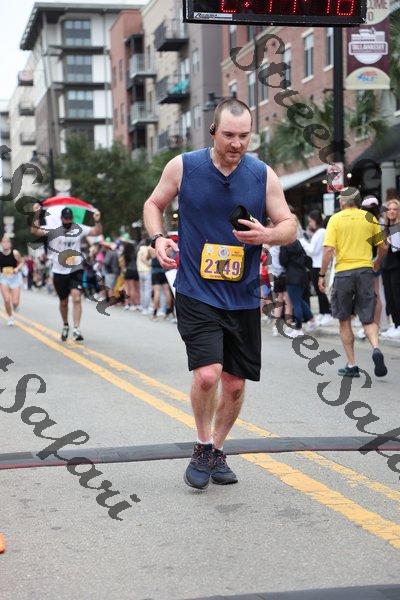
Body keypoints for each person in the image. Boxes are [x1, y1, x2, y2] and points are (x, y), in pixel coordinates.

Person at [143, 97, 296, 490]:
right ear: (213, 131)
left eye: (244, 135)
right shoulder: (184, 167)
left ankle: (217, 449)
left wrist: (268, 234)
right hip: (197, 290)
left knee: (235, 384)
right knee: (209, 375)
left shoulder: (262, 174)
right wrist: (158, 238)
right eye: (229, 134)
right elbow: (153, 203)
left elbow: (289, 224)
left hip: (243, 295)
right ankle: (201, 444)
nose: (237, 143)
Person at [319, 187, 388, 378]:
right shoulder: (369, 218)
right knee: (368, 317)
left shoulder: (335, 219)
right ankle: (376, 348)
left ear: (342, 202)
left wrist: (321, 275)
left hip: (344, 273)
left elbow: (328, 250)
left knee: (344, 319)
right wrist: (377, 262)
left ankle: (352, 364)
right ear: (357, 202)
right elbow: (384, 246)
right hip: (365, 271)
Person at [31, 205, 102, 341]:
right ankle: (65, 325)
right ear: (61, 218)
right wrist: (36, 215)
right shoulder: (54, 229)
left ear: (72, 218)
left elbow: (96, 232)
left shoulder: (79, 228)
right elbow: (34, 231)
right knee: (63, 302)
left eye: (70, 219)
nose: (68, 221)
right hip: (59, 271)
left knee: (76, 297)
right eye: (66, 219)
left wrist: (97, 220)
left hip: (75, 269)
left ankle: (76, 329)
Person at [279, 239, 317, 338]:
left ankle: (298, 328)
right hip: (303, 275)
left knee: (296, 303)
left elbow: (282, 261)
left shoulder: (284, 245)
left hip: (292, 276)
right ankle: (312, 320)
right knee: (299, 300)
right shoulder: (297, 242)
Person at [301, 209, 332, 326]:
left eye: (311, 221)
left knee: (321, 290)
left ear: (316, 220)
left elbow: (312, 250)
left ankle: (327, 313)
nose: (309, 224)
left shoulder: (321, 232)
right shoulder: (318, 232)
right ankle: (322, 313)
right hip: (315, 264)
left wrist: (302, 242)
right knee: (318, 291)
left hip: (319, 265)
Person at [381, 198, 400, 339]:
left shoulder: (397, 227)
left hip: (397, 266)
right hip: (386, 267)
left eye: (395, 209)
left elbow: (396, 249)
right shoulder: (386, 228)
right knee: (389, 297)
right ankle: (395, 324)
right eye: (389, 209)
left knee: (397, 296)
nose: (392, 211)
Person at [0, 235, 24, 326]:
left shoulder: (15, 253)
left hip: (14, 278)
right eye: (3, 242)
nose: (5, 244)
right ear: (1, 243)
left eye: (7, 242)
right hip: (4, 278)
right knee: (6, 300)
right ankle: (10, 317)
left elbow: (22, 262)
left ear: (10, 244)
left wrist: (17, 268)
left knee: (15, 302)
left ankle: (15, 306)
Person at [149, 248, 174, 321]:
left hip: (155, 272)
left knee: (157, 292)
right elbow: (170, 256)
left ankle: (155, 314)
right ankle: (167, 312)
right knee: (167, 292)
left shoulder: (152, 248)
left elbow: (148, 256)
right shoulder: (167, 248)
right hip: (163, 272)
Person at [136, 238, 152, 315]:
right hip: (147, 271)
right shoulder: (147, 249)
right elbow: (143, 259)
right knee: (147, 290)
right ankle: (146, 308)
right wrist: (150, 265)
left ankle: (143, 306)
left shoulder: (140, 249)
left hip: (140, 271)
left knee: (142, 290)